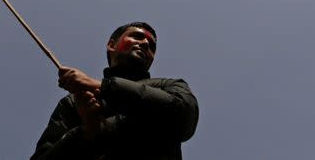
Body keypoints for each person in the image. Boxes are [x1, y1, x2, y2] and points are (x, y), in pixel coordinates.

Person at [31, 21, 199, 159]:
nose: (146, 43)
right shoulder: (73, 103)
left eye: (152, 46)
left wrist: (101, 87)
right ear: (112, 45)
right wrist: (87, 131)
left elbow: (184, 117)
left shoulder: (170, 86)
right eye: (137, 36)